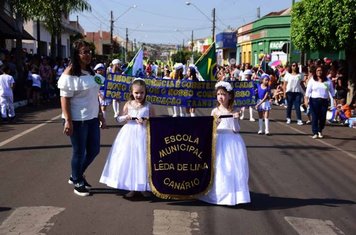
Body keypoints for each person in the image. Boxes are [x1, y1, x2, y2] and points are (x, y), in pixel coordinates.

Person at [57, 39, 106, 197]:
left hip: (92, 118)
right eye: (84, 52)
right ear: (76, 55)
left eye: (89, 52)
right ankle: (78, 181)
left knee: (94, 150)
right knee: (79, 152)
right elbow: (64, 99)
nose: (88, 55)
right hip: (78, 120)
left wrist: (100, 115)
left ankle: (76, 174)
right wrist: (68, 121)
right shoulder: (69, 74)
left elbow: (95, 96)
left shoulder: (91, 73)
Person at [100, 78, 155, 198]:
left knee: (142, 160)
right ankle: (132, 187)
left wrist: (146, 121)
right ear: (132, 93)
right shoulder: (128, 104)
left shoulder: (149, 106)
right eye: (136, 93)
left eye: (141, 93)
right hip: (128, 134)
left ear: (145, 93)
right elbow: (119, 118)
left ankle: (143, 187)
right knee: (130, 160)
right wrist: (126, 117)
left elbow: (155, 121)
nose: (139, 95)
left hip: (143, 134)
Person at [199, 81, 250, 206]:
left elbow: (236, 129)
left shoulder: (234, 110)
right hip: (219, 140)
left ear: (230, 96)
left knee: (233, 168)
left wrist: (235, 118)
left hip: (232, 141)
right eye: (218, 94)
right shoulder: (214, 111)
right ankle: (219, 194)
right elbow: (211, 129)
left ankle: (235, 195)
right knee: (220, 168)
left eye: (223, 94)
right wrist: (216, 122)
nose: (220, 97)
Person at [304, 65, 335, 139]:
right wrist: (306, 100)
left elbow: (332, 92)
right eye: (317, 70)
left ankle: (320, 131)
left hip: (324, 101)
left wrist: (334, 100)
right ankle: (315, 132)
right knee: (314, 117)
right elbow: (308, 91)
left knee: (322, 118)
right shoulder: (312, 80)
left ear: (323, 71)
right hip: (314, 101)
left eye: (320, 70)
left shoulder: (328, 80)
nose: (319, 72)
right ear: (315, 71)